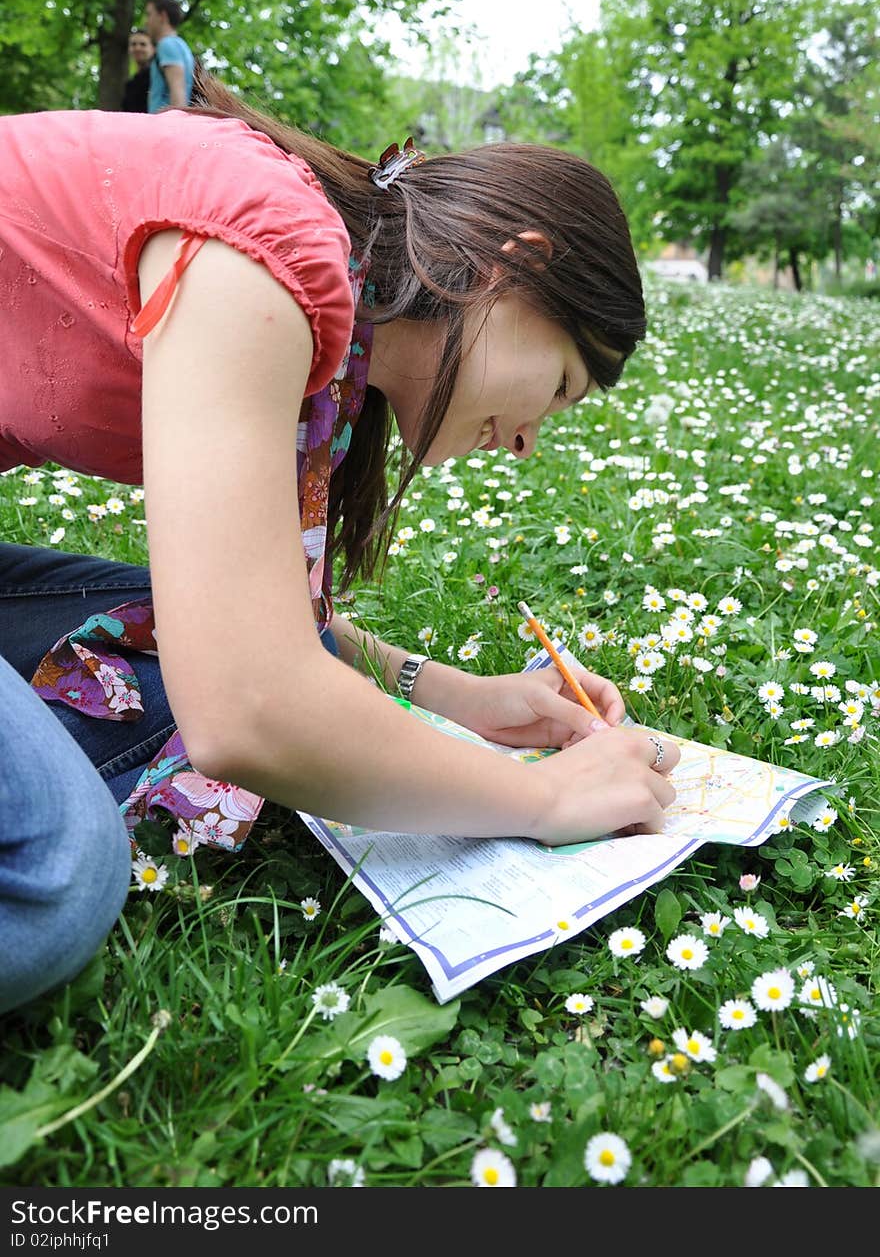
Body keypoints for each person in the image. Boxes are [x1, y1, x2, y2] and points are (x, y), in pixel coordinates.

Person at [0, 75, 680, 1013]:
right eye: (559, 387)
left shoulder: (325, 308)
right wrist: (546, 799)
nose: (527, 442)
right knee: (56, 874)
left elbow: (258, 624)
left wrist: (459, 696)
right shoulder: (265, 252)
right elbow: (247, 706)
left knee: (151, 644)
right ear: (511, 267)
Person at [144, 0, 195, 112]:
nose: (146, 22)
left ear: (162, 16)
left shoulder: (167, 45)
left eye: (149, 15)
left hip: (163, 125)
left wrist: (174, 127)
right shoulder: (180, 45)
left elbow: (178, 92)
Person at [121, 28, 155, 113]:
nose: (137, 48)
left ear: (153, 49)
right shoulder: (130, 84)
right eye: (133, 44)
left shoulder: (157, 78)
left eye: (143, 44)